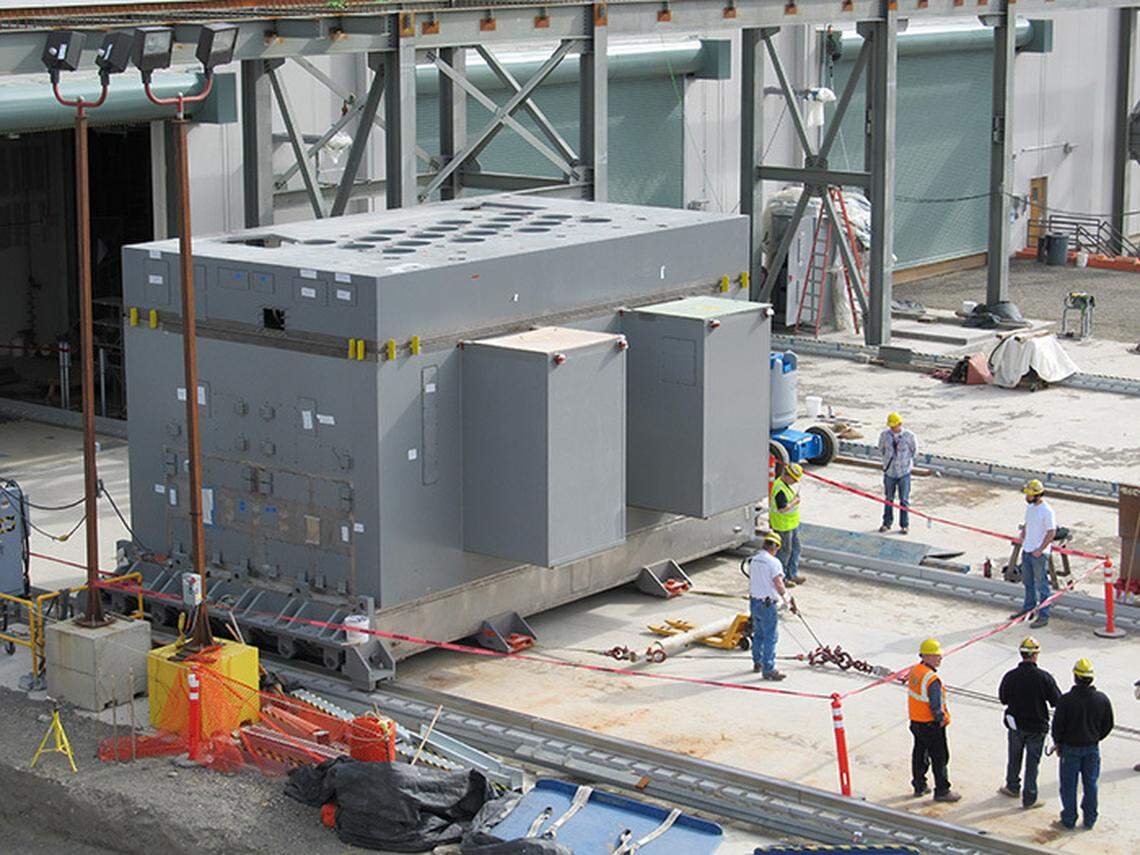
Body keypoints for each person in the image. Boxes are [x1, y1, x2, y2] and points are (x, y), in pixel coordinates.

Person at [997, 636, 1061, 809]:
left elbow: (1003, 699)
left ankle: (1012, 786)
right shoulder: (1044, 678)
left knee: (1014, 757)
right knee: (1032, 764)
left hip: (1015, 725)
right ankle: (1029, 798)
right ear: (1035, 655)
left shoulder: (1010, 676)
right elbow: (1057, 701)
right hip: (1037, 727)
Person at [1051, 658, 1114, 831]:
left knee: (1069, 786)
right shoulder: (1101, 700)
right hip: (1091, 748)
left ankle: (1069, 819)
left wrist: (1058, 743)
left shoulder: (1066, 700)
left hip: (1070, 749)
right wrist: (1094, 737)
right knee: (1091, 784)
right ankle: (1090, 819)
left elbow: (1057, 726)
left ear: (1075, 677)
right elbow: (1108, 724)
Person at [907, 637, 961, 802]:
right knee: (940, 757)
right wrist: (942, 718)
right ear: (927, 656)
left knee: (919, 754)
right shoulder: (932, 680)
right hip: (931, 724)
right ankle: (942, 791)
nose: (940, 658)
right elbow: (936, 705)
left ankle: (919, 785)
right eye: (937, 655)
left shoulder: (915, 671)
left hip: (916, 721)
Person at [747, 531, 796, 681]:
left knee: (759, 634)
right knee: (770, 636)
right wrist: (788, 599)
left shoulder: (754, 560)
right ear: (775, 547)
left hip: (754, 602)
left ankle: (758, 662)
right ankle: (768, 669)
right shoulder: (774, 562)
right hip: (768, 604)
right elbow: (778, 583)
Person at [1012, 479, 1056, 629]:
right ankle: (1028, 609)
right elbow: (1028, 523)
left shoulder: (1047, 511)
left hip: (1038, 554)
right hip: (1027, 550)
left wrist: (1041, 549)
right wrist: (1023, 535)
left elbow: (1051, 532)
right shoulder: (1031, 508)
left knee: (1042, 585)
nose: (1026, 497)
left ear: (1037, 495)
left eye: (1029, 495)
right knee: (1028, 582)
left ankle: (1043, 615)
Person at [878, 412, 917, 535]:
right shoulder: (885, 435)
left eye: (894, 426)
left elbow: (914, 451)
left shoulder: (909, 436)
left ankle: (904, 525)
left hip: (903, 473)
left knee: (904, 500)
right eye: (891, 426)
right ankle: (886, 523)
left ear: (900, 424)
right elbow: (881, 449)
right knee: (889, 499)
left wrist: (905, 462)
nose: (892, 428)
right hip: (890, 472)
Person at [770, 462, 804, 586]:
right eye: (794, 480)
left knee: (796, 549)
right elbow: (781, 509)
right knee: (784, 552)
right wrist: (795, 501)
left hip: (791, 524)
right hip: (782, 526)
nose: (795, 482)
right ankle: (781, 579)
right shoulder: (780, 489)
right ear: (787, 476)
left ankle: (792, 575)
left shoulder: (785, 486)